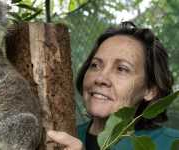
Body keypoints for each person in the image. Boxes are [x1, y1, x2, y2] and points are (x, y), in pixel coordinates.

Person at [47, 21, 179, 150]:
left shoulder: (172, 143)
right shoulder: (60, 137)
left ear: (150, 89)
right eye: (95, 65)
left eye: (121, 69)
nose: (100, 78)